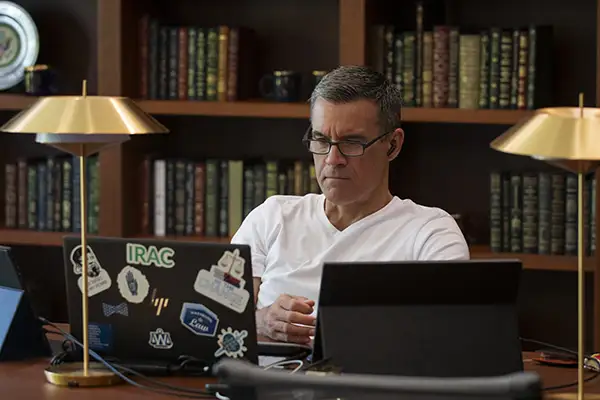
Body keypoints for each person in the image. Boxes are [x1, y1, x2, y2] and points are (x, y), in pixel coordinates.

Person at [231, 65, 469, 344]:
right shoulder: (272, 216)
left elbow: (451, 336)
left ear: (393, 145)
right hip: (265, 383)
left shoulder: (430, 233)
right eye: (321, 140)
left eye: (352, 143)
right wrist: (261, 322)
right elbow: (210, 314)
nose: (333, 159)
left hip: (372, 385)